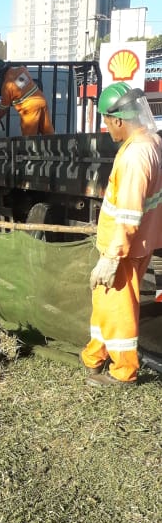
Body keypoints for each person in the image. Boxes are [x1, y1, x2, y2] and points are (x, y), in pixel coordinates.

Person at [81, 82, 162, 387]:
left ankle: (123, 371)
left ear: (117, 120)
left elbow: (129, 213)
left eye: (105, 120)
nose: (106, 128)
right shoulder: (152, 142)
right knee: (105, 303)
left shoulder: (134, 157)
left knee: (119, 309)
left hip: (124, 249)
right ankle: (95, 355)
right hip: (136, 243)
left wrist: (112, 257)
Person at [0, 59, 54, 136]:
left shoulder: (6, 86)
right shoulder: (22, 69)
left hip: (29, 108)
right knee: (48, 133)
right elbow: (21, 84)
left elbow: (4, 108)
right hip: (41, 101)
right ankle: (53, 146)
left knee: (29, 138)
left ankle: (29, 148)